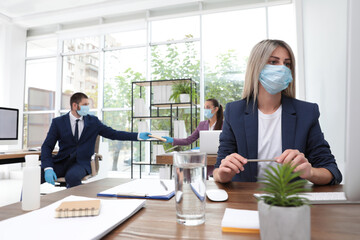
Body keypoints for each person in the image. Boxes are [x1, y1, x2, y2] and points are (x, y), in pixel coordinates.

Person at [213, 39, 342, 185]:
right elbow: (218, 169)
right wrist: (223, 174)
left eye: (287, 64)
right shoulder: (234, 111)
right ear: (257, 67)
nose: (282, 68)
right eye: (274, 62)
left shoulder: (307, 112)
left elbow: (332, 171)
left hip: (289, 200)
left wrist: (310, 172)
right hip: (246, 201)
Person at [41, 92, 151, 188]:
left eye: (88, 105)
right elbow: (47, 146)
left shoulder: (93, 121)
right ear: (75, 105)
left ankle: (76, 206)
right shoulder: (58, 122)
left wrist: (138, 135)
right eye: (85, 104)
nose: (87, 107)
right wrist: (48, 168)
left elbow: (114, 134)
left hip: (81, 163)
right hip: (62, 161)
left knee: (72, 177)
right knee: (35, 175)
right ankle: (24, 205)